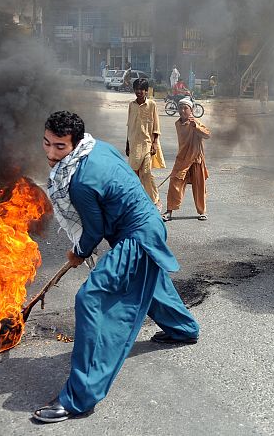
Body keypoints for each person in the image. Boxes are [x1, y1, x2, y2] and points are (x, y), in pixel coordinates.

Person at [33, 111, 199, 423]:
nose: (51, 153)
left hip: (137, 235)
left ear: (76, 143)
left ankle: (80, 398)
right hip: (146, 224)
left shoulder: (80, 181)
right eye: (47, 144)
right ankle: (185, 330)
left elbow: (93, 233)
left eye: (60, 147)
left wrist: (78, 253)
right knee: (151, 282)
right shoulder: (99, 147)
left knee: (92, 299)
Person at [162, 97, 210, 222]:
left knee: (199, 186)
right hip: (182, 158)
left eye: (185, 108)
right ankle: (169, 211)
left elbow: (207, 134)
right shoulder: (178, 124)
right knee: (174, 183)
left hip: (196, 159)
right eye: (180, 108)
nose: (182, 111)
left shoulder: (196, 122)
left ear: (191, 110)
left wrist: (196, 127)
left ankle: (202, 211)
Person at [126, 78, 165, 211]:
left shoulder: (152, 105)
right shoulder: (131, 105)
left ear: (146, 91)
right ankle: (136, 201)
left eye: (141, 89)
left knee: (147, 173)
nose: (139, 91)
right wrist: (127, 143)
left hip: (147, 144)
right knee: (133, 175)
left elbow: (156, 126)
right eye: (136, 89)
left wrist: (155, 143)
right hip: (133, 145)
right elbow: (129, 125)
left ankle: (155, 201)